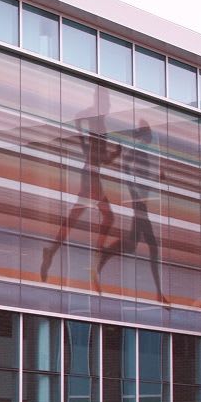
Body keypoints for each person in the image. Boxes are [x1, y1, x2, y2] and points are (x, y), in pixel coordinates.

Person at [39, 87, 120, 287]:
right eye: (107, 100)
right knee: (107, 216)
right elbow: (96, 153)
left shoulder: (98, 120)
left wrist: (112, 154)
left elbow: (99, 157)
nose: (110, 105)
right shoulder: (96, 120)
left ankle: (52, 251)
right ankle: (95, 259)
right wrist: (89, 145)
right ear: (101, 101)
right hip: (90, 176)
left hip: (91, 174)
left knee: (76, 217)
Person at [94, 120, 167, 305]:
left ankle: (102, 258)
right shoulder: (138, 150)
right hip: (139, 203)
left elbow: (141, 178)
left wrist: (155, 178)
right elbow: (126, 168)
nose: (151, 138)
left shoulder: (141, 151)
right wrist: (135, 193)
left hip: (140, 202)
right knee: (152, 246)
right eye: (149, 134)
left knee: (131, 245)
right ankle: (158, 293)